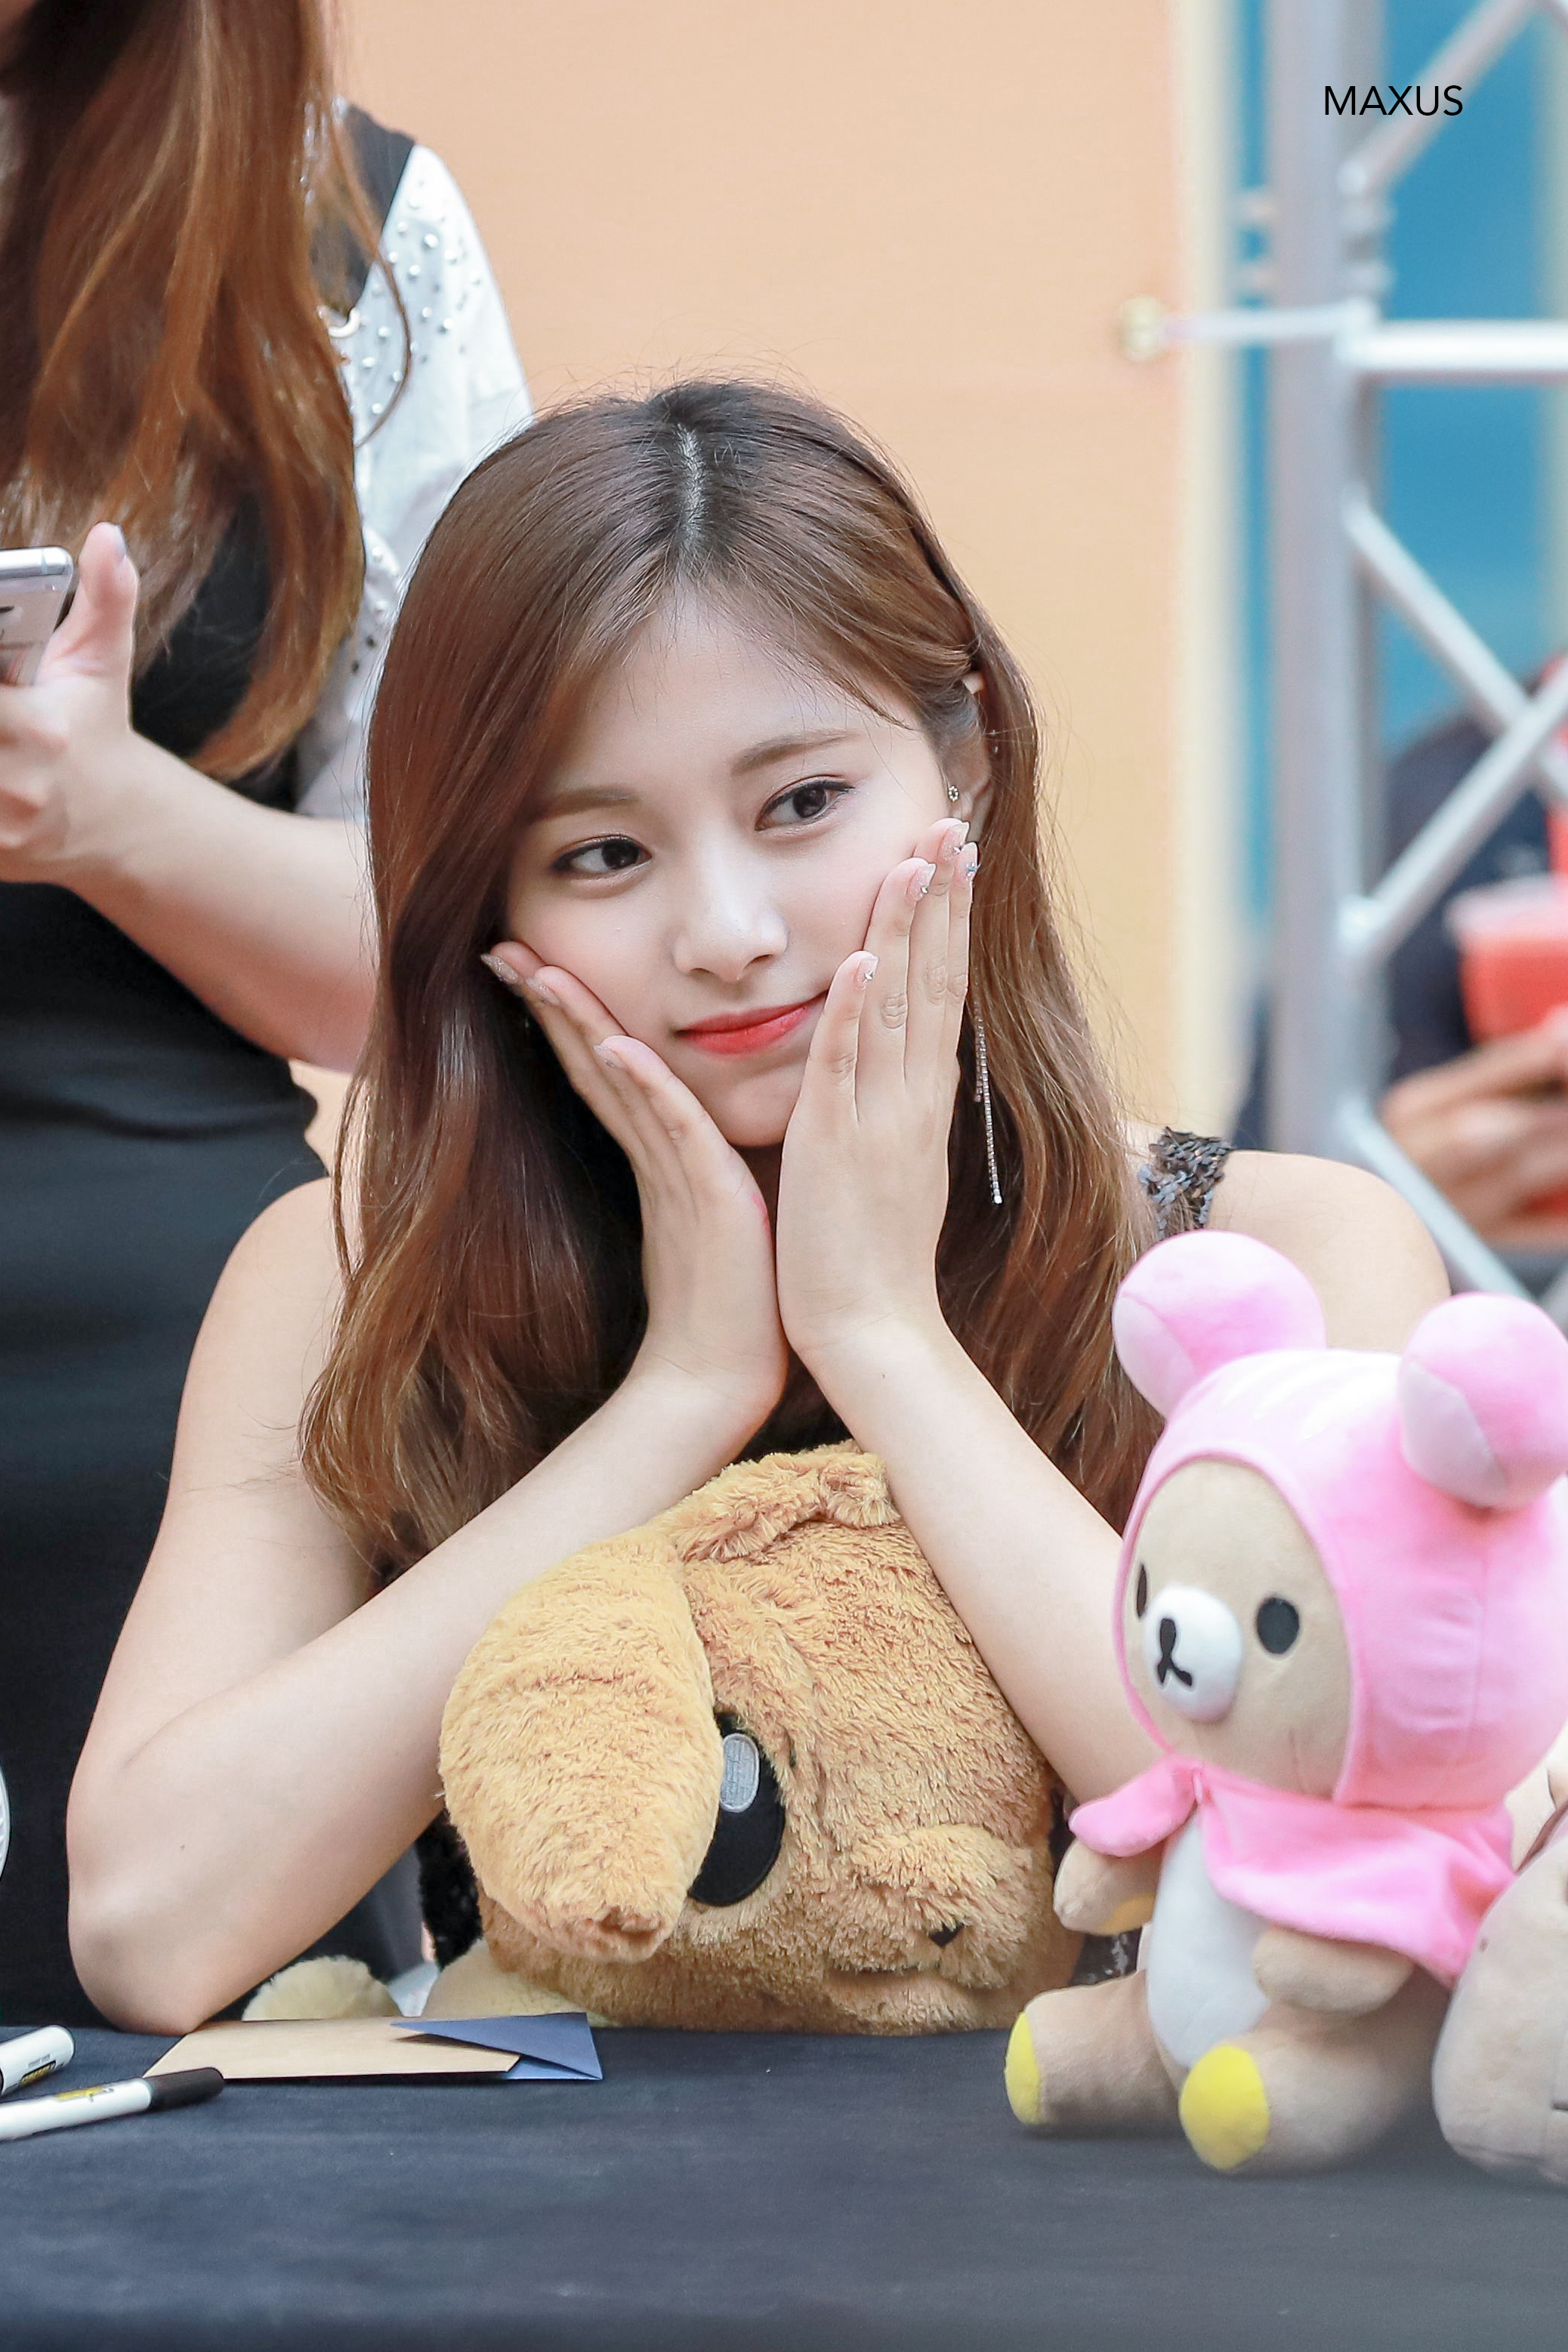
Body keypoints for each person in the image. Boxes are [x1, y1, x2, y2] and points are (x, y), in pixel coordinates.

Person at [66, 383, 1447, 2036]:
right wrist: (678, 1397)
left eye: (800, 805)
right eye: (601, 854)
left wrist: (885, 1340)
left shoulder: (1277, 1261)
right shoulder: (350, 1276)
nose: (725, 932)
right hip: (550, 2203)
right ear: (484, 898)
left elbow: (1341, 1863)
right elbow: (152, 1925)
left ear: (965, 764)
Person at [0, 0, 527, 2021]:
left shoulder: (352, 230)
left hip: (154, 1365)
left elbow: (446, 947)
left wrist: (102, 815)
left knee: (195, 2111)